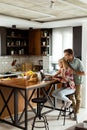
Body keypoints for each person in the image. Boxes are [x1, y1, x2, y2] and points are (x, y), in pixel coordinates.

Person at [63, 49, 85, 117]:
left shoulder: (78, 61)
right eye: (64, 55)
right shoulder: (66, 61)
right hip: (71, 82)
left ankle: (76, 112)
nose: (65, 56)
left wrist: (74, 72)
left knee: (77, 97)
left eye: (66, 55)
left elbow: (83, 73)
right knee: (71, 97)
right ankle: (75, 111)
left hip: (78, 82)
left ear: (71, 55)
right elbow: (61, 62)